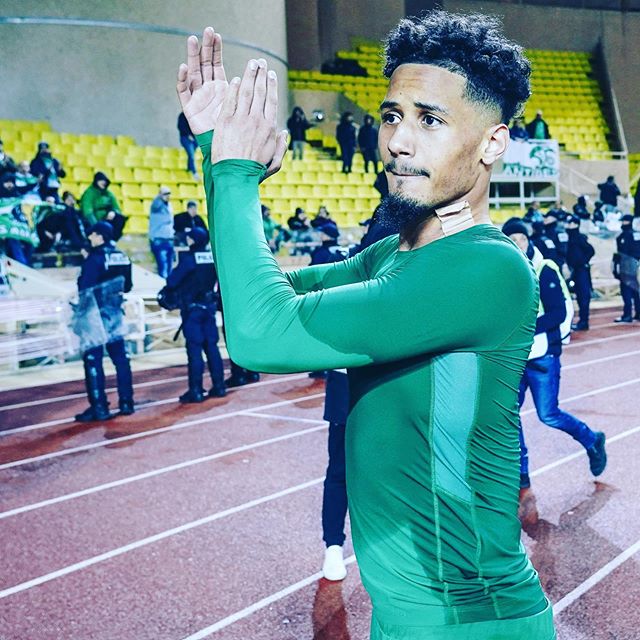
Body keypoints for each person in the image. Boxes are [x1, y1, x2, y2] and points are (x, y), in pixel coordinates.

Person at [179, 12, 556, 639]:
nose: (398, 142)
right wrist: (215, 152)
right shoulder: (391, 255)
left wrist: (236, 174)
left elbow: (259, 335)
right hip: (405, 621)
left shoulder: (487, 270)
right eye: (391, 116)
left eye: (430, 120)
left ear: (493, 143)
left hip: (471, 624)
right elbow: (256, 298)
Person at [502, 219, 606, 490]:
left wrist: (523, 329)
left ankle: (592, 439)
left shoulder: (544, 269)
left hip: (542, 356)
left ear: (528, 239)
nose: (517, 243)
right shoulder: (507, 271)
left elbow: (558, 313)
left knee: (548, 414)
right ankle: (521, 472)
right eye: (511, 239)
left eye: (520, 238)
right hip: (516, 357)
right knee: (509, 413)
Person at [73, 221, 134, 421]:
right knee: (121, 359)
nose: (90, 238)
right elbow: (128, 286)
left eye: (92, 235)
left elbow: (85, 288)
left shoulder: (95, 258)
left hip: (95, 315)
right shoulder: (122, 256)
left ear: (100, 236)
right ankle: (127, 402)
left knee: (93, 359)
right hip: (115, 313)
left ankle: (99, 407)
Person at [163, 227, 226, 402]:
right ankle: (219, 386)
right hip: (209, 307)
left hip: (192, 310)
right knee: (212, 348)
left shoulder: (189, 259)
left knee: (195, 350)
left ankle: (196, 390)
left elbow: (172, 281)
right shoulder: (212, 257)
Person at [565, 213, 595, 331]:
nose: (569, 225)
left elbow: (591, 250)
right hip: (575, 271)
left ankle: (584, 322)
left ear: (576, 224)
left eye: (571, 223)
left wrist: (582, 262)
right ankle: (581, 321)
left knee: (583, 297)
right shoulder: (570, 237)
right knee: (578, 296)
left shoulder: (579, 237)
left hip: (581, 271)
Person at [80, 172, 126, 241]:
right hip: (94, 220)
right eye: (101, 180)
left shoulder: (108, 193)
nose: (103, 183)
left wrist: (113, 212)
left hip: (107, 218)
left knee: (119, 218)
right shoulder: (89, 193)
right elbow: (88, 212)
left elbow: (116, 207)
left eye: (105, 181)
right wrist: (96, 225)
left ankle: (112, 240)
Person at [612, 214, 640, 322]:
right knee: (634, 290)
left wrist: (616, 266)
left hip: (627, 265)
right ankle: (638, 312)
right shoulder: (637, 234)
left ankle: (627, 315)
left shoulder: (624, 236)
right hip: (635, 265)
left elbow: (621, 253)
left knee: (626, 290)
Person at [149, 186, 175, 278]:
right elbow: (156, 204)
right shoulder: (156, 204)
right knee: (163, 268)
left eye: (169, 194)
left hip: (169, 239)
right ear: (159, 194)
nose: (167, 196)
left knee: (169, 268)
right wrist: (159, 196)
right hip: (159, 239)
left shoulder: (169, 205)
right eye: (165, 194)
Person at [177, 112, 199, 180]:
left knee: (191, 155)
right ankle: (194, 172)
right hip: (185, 137)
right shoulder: (182, 115)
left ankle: (189, 168)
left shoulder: (193, 115)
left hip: (194, 138)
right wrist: (189, 135)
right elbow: (180, 126)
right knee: (191, 155)